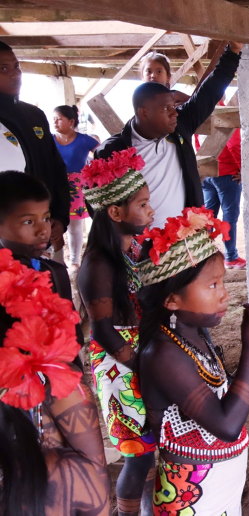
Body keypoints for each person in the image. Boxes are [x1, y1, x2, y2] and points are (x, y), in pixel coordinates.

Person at [137, 208, 249, 515]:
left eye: (222, 282)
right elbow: (226, 425)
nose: (224, 295)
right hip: (192, 499)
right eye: (212, 286)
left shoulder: (193, 334)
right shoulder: (163, 355)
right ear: (171, 300)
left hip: (218, 489)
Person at [0, 170, 110, 515]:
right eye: (28, 221)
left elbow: (71, 337)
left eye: (46, 218)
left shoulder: (56, 271)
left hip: (57, 378)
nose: (43, 229)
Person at [77, 149, 157, 516]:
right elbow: (104, 331)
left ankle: (144, 509)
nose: (150, 211)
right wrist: (140, 364)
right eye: (142, 204)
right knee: (137, 456)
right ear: (115, 212)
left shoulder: (133, 249)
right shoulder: (98, 264)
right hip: (120, 365)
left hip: (140, 357)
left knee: (150, 448)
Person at [97, 42, 243, 228]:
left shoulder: (179, 126)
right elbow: (100, 206)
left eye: (174, 107)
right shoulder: (113, 151)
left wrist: (233, 51)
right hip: (141, 247)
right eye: (166, 109)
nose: (175, 113)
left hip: (182, 239)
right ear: (144, 113)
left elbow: (210, 92)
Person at [0, 41, 71, 255]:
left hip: (44, 231)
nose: (15, 74)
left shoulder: (34, 115)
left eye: (17, 66)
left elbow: (56, 169)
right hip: (10, 240)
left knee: (49, 282)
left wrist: (58, 217)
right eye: (4, 69)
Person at [53, 104, 100, 270]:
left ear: (71, 121)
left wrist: (96, 173)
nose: (55, 122)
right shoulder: (49, 140)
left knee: (74, 226)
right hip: (55, 185)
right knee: (54, 222)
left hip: (76, 187)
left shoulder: (84, 140)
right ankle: (56, 259)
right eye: (54, 119)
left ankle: (74, 261)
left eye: (59, 119)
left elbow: (102, 153)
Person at [204, 127, 246, 270]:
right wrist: (243, 169)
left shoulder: (204, 115)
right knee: (230, 216)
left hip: (207, 172)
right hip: (227, 173)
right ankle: (231, 256)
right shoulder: (226, 113)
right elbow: (233, 144)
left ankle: (204, 254)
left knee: (207, 216)